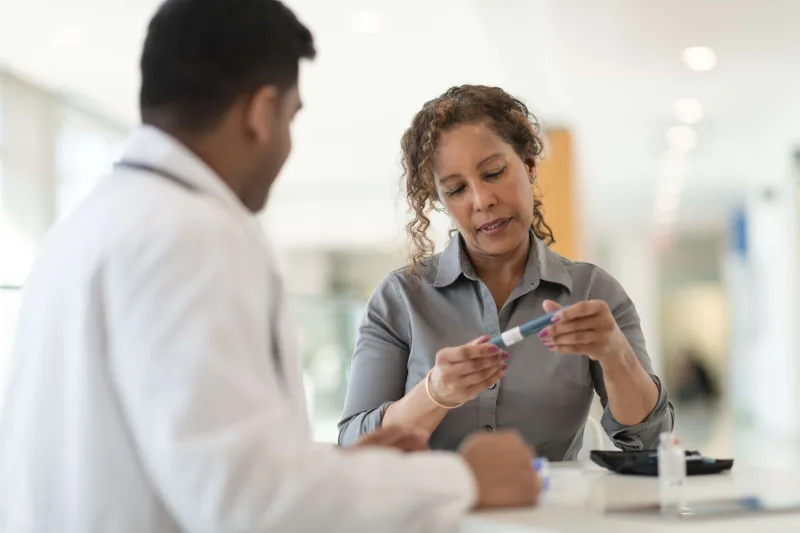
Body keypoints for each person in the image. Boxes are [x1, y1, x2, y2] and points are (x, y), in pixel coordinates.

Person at [0, 4, 540, 533]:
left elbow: (181, 460)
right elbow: (245, 501)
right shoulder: (193, 234)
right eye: (290, 116)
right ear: (261, 113)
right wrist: (460, 479)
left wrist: (344, 473)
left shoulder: (85, 226)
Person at [339, 85, 675, 459]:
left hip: (549, 514)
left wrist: (617, 355)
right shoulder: (401, 299)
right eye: (456, 189)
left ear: (529, 166)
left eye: (494, 172)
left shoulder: (592, 292)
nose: (482, 200)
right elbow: (354, 447)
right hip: (436, 514)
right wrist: (433, 393)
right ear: (440, 202)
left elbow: (652, 445)